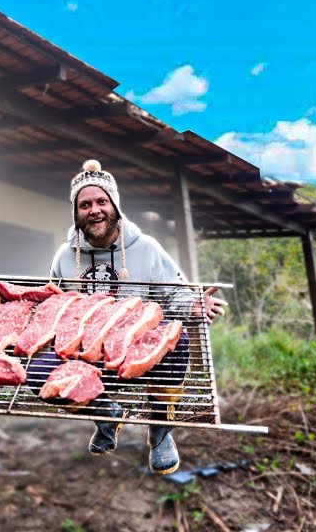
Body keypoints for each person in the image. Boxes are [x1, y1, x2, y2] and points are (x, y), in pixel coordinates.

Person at [28, 159, 226, 475]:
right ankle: (106, 414)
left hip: (136, 348)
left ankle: (160, 432)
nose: (94, 210)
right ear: (76, 213)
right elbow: (55, 303)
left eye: (101, 202)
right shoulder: (65, 257)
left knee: (176, 341)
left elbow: (175, 291)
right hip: (86, 350)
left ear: (115, 206)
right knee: (38, 373)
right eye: (85, 204)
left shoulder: (145, 248)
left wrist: (192, 304)